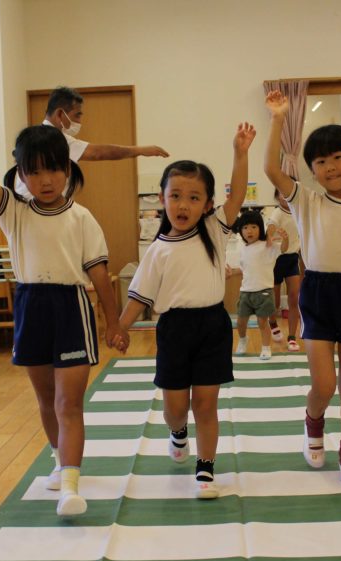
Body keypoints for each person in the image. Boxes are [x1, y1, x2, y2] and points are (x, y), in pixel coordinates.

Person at [0, 91, 121, 517]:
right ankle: (58, 460)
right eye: (34, 172)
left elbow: (99, 274)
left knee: (69, 403)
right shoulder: (13, 211)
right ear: (22, 176)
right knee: (47, 400)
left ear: (67, 169)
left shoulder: (82, 218)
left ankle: (70, 484)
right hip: (31, 305)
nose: (45, 179)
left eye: (53, 169)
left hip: (70, 306)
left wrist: (114, 322)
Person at [112, 122, 256, 499]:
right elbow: (139, 296)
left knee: (206, 404)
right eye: (175, 196)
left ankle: (205, 468)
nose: (183, 205)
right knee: (176, 408)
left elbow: (239, 195)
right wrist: (121, 327)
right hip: (174, 329)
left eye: (194, 198)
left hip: (212, 326)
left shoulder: (213, 229)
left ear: (207, 204)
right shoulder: (158, 249)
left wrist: (240, 153)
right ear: (162, 199)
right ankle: (177, 432)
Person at [263, 90, 341, 484]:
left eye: (337, 157)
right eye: (320, 162)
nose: (330, 166)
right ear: (312, 171)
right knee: (323, 383)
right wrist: (279, 118)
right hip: (317, 294)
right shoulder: (307, 202)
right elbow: (270, 169)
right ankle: (313, 421)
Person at [15, 86, 170, 199]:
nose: (79, 122)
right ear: (60, 114)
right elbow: (99, 153)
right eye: (77, 115)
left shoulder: (37, 137)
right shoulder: (54, 140)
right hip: (35, 210)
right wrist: (141, 150)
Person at [228, 209, 288, 360]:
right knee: (240, 322)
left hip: (264, 292)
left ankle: (266, 347)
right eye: (245, 227)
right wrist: (231, 272)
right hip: (246, 292)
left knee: (262, 322)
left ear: (260, 228)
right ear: (241, 231)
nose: (249, 231)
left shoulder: (267, 245)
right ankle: (243, 340)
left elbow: (283, 249)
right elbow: (243, 268)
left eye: (254, 227)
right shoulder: (243, 249)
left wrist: (285, 239)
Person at [265, 186, 303, 351]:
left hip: (292, 258)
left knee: (294, 297)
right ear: (277, 196)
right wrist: (270, 236)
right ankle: (273, 322)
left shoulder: (298, 211)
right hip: (277, 260)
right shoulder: (277, 213)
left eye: (287, 191)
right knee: (275, 301)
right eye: (281, 192)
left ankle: (292, 337)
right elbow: (270, 228)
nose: (285, 195)